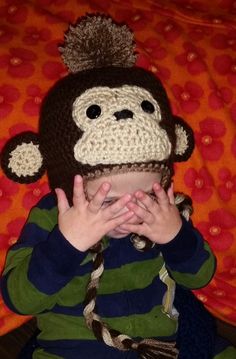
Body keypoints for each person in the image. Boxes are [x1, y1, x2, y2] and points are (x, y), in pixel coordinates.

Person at [1, 14, 235, 359]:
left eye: (143, 194)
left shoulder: (163, 212)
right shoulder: (54, 216)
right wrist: (67, 244)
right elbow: (19, 299)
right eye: (108, 199)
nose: (130, 210)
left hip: (159, 349)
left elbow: (200, 277)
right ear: (71, 186)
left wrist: (175, 236)